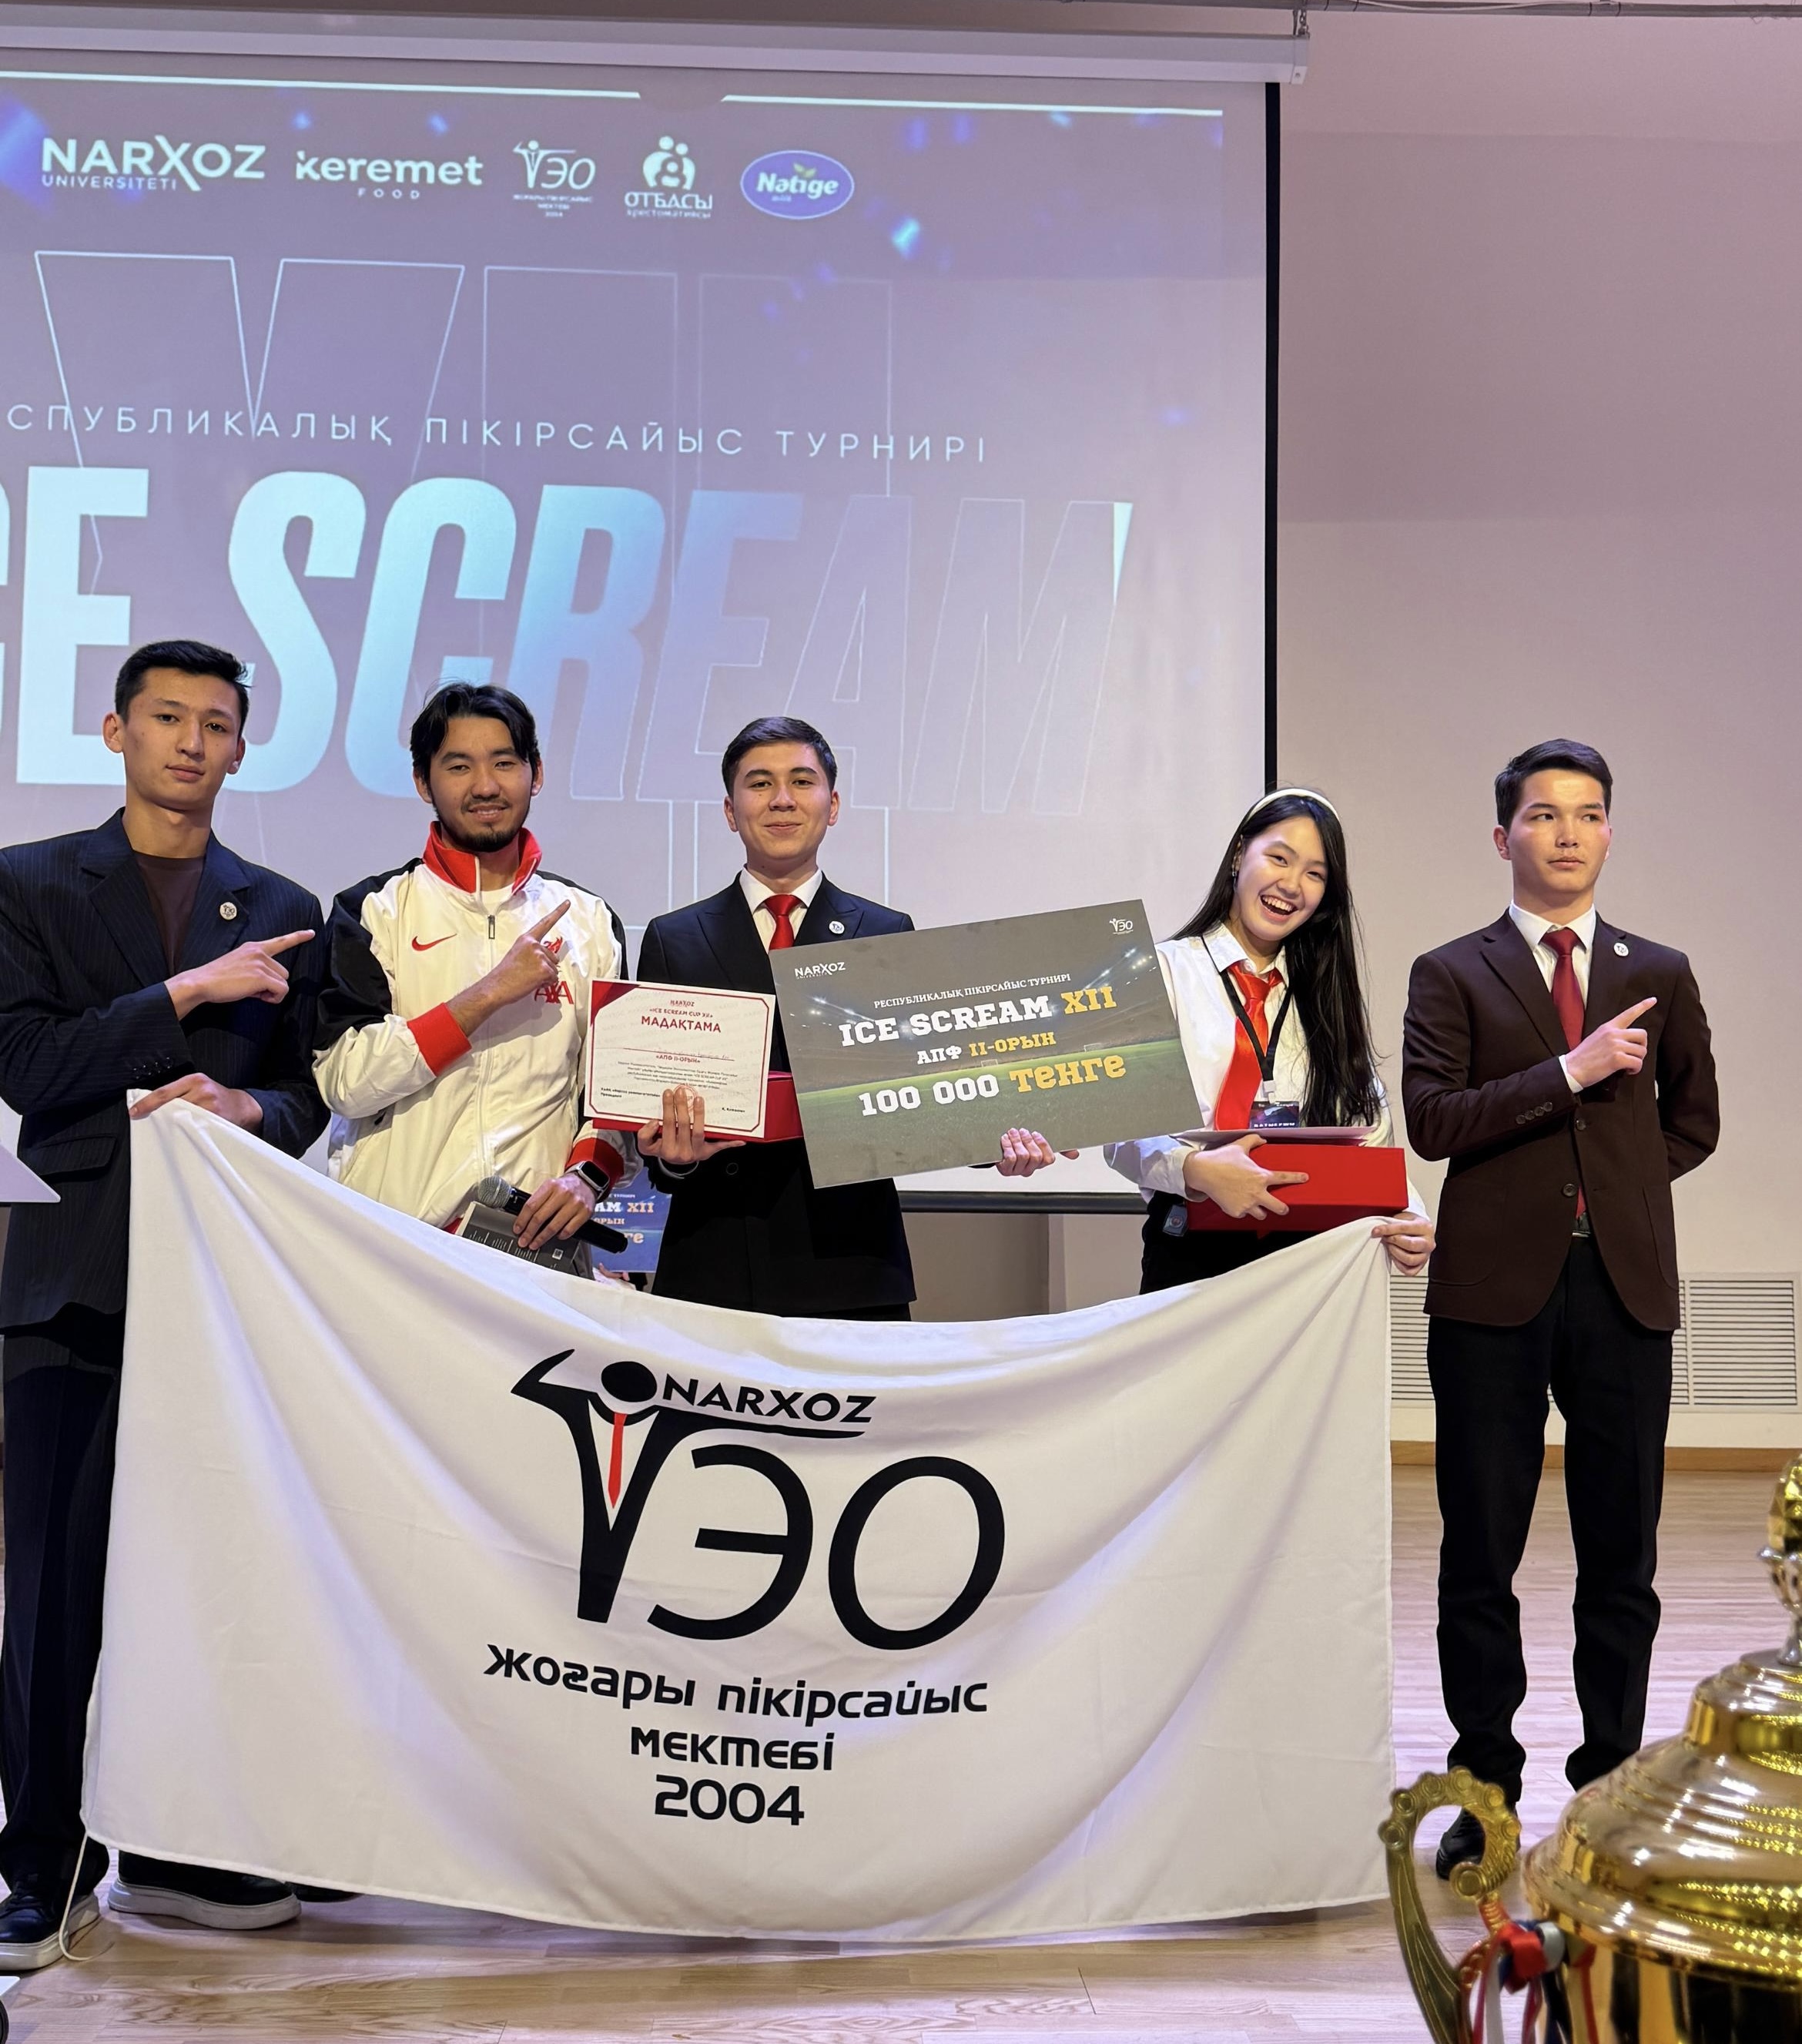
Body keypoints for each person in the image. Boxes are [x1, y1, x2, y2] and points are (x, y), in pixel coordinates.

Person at [0, 640, 327, 1966]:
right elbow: (28, 1066)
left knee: (210, 1577)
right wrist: (188, 993)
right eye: (168, 717)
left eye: (217, 723)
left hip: (224, 1288)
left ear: (244, 746)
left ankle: (184, 1844)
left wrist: (248, 1102)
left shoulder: (285, 903)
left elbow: (308, 1096)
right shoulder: (29, 880)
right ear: (115, 731)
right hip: (73, 1278)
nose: (192, 742)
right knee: (51, 1592)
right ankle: (42, 1860)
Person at [1403, 740, 1717, 1876]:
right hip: (1490, 1291)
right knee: (1480, 1552)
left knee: (1621, 1553)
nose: (1568, 832)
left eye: (1588, 813)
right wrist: (1569, 1074)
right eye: (1544, 814)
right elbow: (1434, 1121)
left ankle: (1611, 1791)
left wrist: (1608, 1191)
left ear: (1610, 832)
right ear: (1505, 836)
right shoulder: (1452, 970)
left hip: (1623, 1289)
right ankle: (1484, 1791)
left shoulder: (1661, 969)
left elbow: (1693, 1122)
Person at [635, 715, 1060, 1319]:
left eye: (801, 781)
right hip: (716, 1263)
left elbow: (925, 1095)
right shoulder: (674, 938)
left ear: (832, 805)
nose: (782, 799)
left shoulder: (885, 933)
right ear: (730, 811)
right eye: (759, 783)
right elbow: (654, 1123)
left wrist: (1001, 1140)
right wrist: (671, 1159)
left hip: (853, 1267)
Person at [315, 684, 635, 1243]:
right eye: (459, 766)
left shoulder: (590, 920)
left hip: (532, 1247)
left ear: (536, 773)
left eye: (504, 763)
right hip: (393, 1242)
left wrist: (587, 1177)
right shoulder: (374, 910)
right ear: (423, 782)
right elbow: (346, 1081)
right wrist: (487, 995)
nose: (485, 786)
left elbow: (613, 1098)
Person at [1106, 788, 1433, 1288]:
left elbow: (1367, 1127)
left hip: (1308, 1256)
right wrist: (1196, 1169)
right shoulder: (1162, 972)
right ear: (1240, 854)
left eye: (1315, 874)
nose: (1292, 885)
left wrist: (1407, 1212)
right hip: (1189, 1243)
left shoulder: (1325, 994)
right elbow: (1121, 1129)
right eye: (1279, 858)